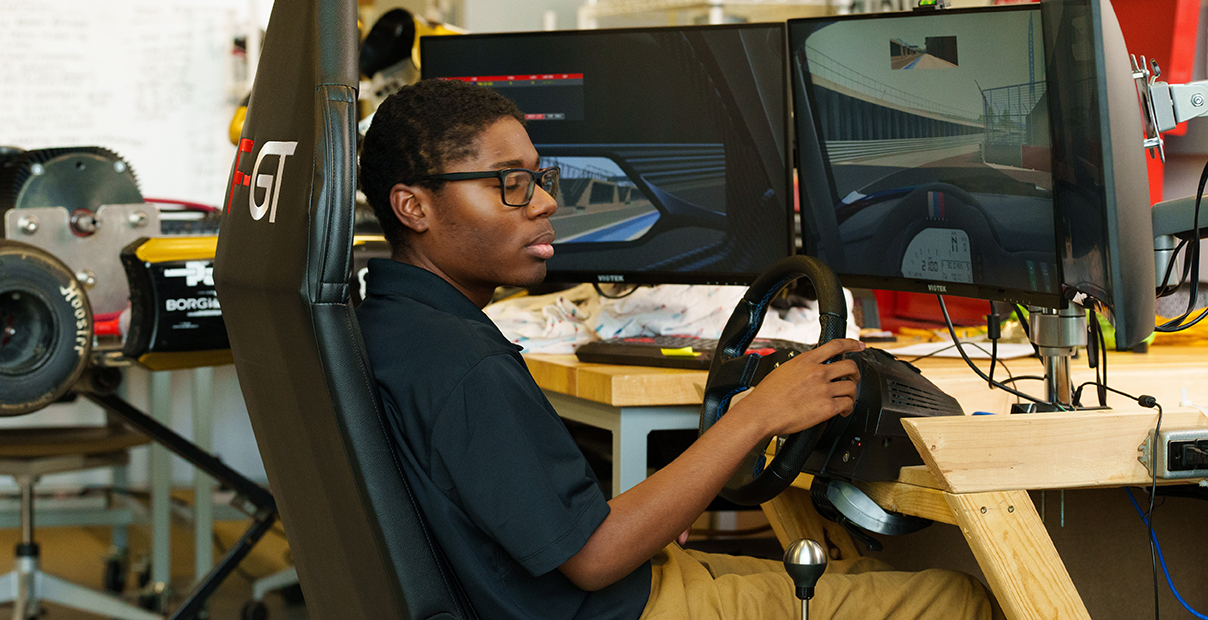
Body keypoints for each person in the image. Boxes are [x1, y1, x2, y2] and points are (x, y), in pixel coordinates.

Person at [355, 78, 1001, 620]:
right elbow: (594, 558)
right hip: (624, 608)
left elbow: (538, 518)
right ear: (414, 207)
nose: (546, 201)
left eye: (539, 178)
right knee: (958, 598)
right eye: (511, 183)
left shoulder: (395, 327)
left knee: (864, 576)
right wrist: (759, 415)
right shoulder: (467, 366)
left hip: (612, 590)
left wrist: (664, 500)